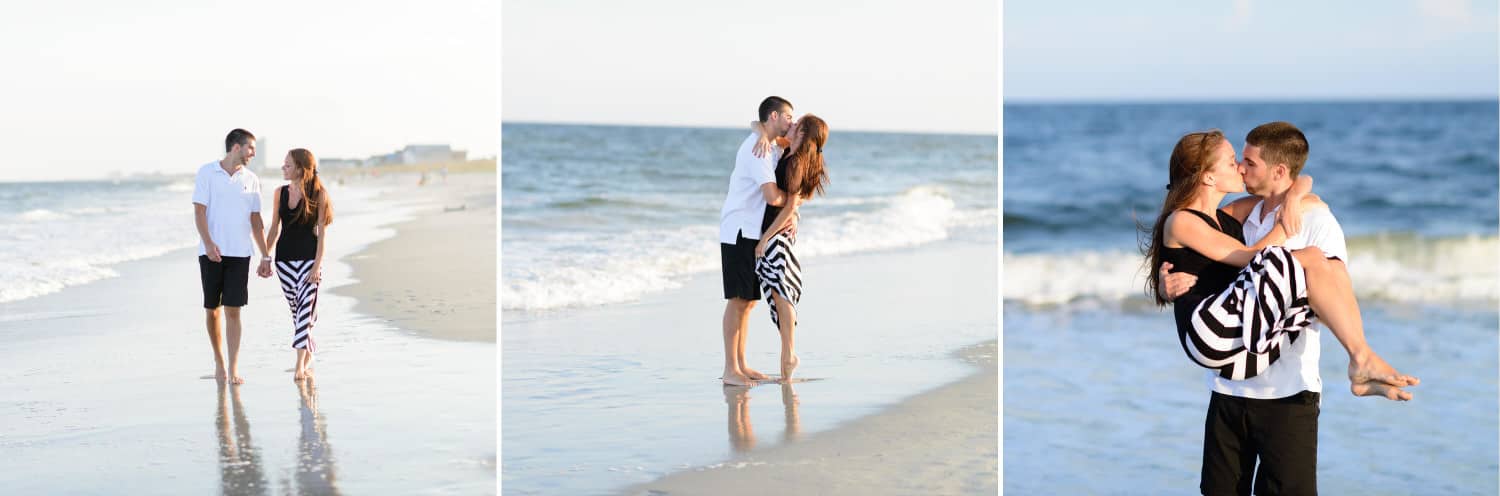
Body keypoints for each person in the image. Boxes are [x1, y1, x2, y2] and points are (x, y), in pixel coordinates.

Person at [1143, 127, 1419, 495]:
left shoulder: (1292, 220)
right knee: (1309, 260)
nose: (1240, 168)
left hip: (1283, 391)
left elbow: (1308, 192)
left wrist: (1294, 201)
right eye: (1233, 161)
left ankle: (1361, 359)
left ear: (1277, 171)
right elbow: (1231, 255)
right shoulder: (1214, 218)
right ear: (1208, 175)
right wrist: (1281, 229)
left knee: (1320, 265)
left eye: (1248, 162)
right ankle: (1361, 360)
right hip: (1224, 373)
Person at [719, 96, 797, 386]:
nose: (791, 121)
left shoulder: (770, 144)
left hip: (751, 232)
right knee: (737, 301)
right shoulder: (759, 149)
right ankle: (730, 369)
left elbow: (768, 131)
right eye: (788, 116)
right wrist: (793, 203)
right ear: (774, 116)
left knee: (749, 302)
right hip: (739, 230)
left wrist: (764, 131)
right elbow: (771, 196)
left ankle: (741, 364)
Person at [753, 115, 829, 382]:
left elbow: (789, 206)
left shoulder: (795, 163)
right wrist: (763, 135)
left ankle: (789, 353)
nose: (792, 124)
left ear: (803, 133)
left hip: (777, 235)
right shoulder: (788, 149)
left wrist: (765, 239)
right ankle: (788, 353)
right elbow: (755, 123)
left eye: (797, 124)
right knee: (776, 291)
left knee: (781, 291)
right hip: (775, 231)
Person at [193, 128, 270, 385]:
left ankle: (234, 367)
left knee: (233, 311)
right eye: (250, 149)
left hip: (239, 254)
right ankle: (219, 361)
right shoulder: (207, 172)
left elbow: (256, 220)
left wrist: (265, 255)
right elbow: (200, 212)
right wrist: (209, 243)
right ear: (236, 147)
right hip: (211, 253)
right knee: (212, 310)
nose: (252, 154)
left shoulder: (252, 179)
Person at [262, 148, 334, 381]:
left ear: (301, 168)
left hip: (310, 261)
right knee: (298, 312)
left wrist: (316, 267)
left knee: (304, 311)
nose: (283, 168)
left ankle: (299, 366)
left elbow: (321, 237)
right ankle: (308, 352)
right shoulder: (279, 193)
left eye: (287, 165)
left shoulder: (318, 195)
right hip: (284, 262)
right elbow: (274, 228)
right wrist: (266, 256)